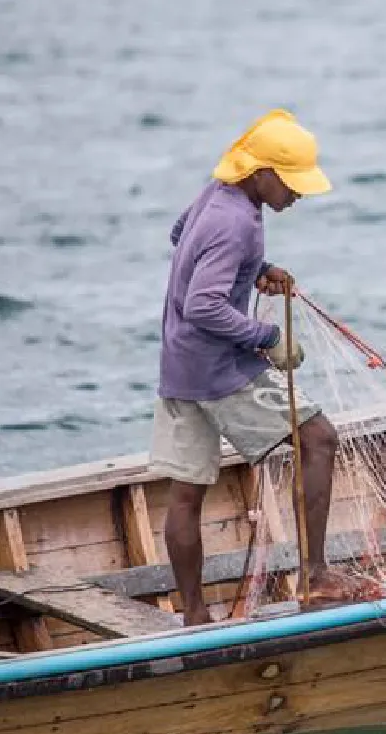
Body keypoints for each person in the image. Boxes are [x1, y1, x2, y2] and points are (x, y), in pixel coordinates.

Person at [148, 109, 356, 625]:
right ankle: (314, 574)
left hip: (179, 365)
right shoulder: (239, 221)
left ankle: (195, 617)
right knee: (320, 439)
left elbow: (181, 236)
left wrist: (256, 271)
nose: (298, 195)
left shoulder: (216, 193)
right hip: (219, 368)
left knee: (187, 492)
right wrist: (268, 338)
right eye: (291, 184)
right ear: (261, 173)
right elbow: (204, 306)